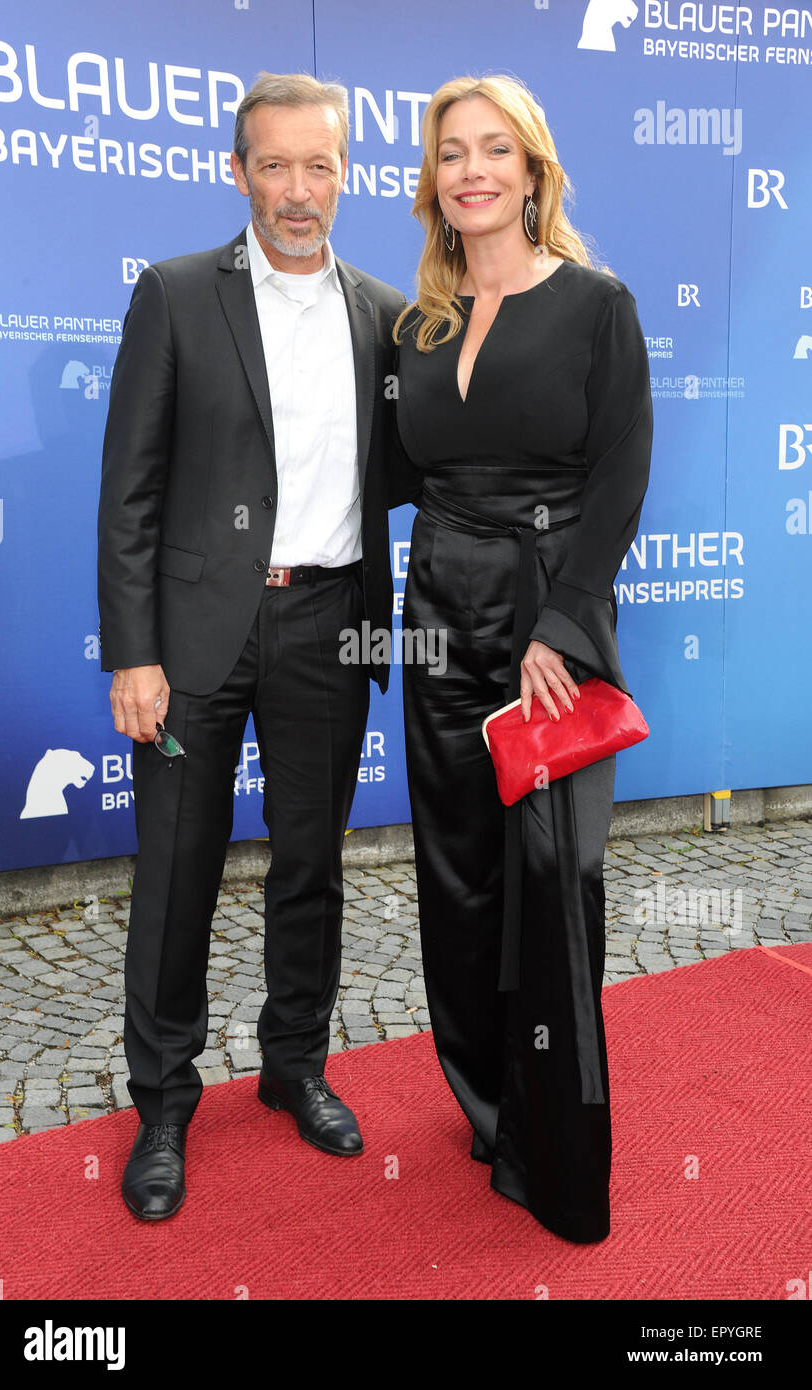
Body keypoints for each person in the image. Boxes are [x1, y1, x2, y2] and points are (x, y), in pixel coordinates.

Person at [97, 71, 407, 1220]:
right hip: (191, 641)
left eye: (316, 164)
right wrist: (134, 651)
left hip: (329, 626)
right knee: (176, 875)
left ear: (345, 172)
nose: (295, 189)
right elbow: (127, 490)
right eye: (272, 165)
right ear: (237, 173)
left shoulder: (382, 310)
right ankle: (164, 1099)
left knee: (312, 864)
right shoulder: (176, 295)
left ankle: (295, 1065)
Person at [391, 74, 653, 1243]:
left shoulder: (596, 305)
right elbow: (386, 478)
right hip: (435, 603)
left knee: (552, 885)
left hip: (548, 610)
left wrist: (563, 620)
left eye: (496, 149)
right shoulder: (417, 325)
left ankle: (559, 1153)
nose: (473, 170)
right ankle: (490, 1105)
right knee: (455, 874)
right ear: (434, 182)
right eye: (453, 153)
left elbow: (621, 474)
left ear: (534, 171)